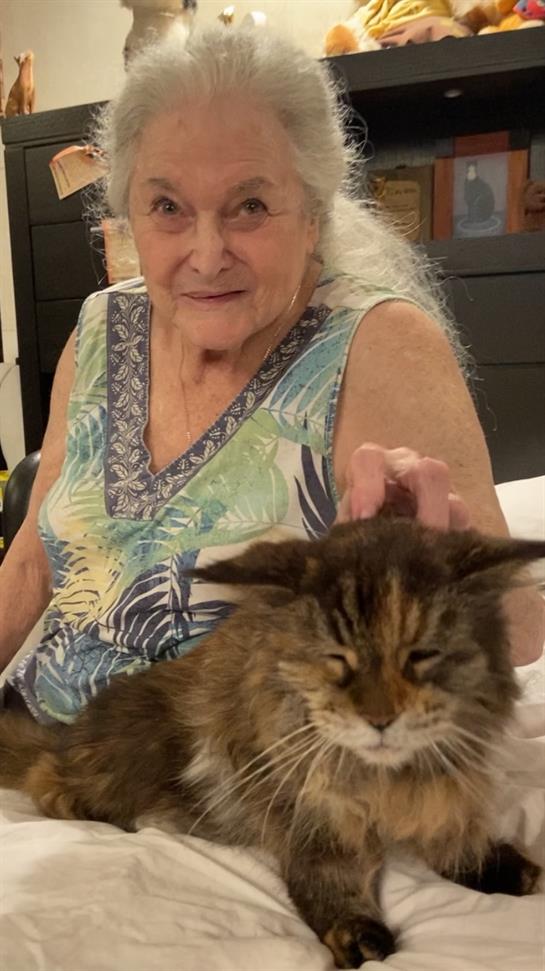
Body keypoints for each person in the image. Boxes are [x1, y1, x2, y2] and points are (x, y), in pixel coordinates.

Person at [0, 26, 542, 724]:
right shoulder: (102, 329)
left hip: (213, 793)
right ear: (129, 209)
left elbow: (519, 627)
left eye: (249, 206)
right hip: (39, 757)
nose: (205, 253)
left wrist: (424, 564)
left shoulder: (374, 345)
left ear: (312, 215)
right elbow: (32, 563)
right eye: (167, 207)